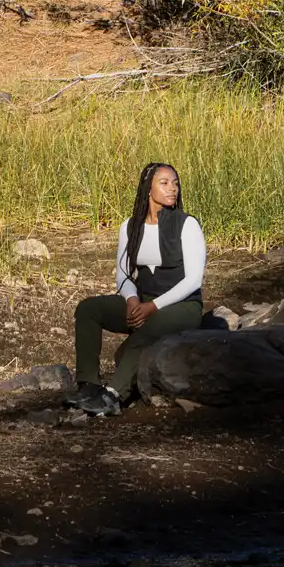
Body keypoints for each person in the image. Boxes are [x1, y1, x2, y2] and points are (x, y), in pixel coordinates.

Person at [68, 161, 206, 415]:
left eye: (175, 184)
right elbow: (123, 272)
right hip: (143, 301)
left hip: (182, 307)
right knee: (88, 309)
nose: (172, 189)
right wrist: (132, 300)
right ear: (148, 188)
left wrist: (153, 307)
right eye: (164, 183)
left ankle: (113, 395)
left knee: (148, 329)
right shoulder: (130, 227)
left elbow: (193, 280)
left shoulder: (187, 225)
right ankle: (88, 385)